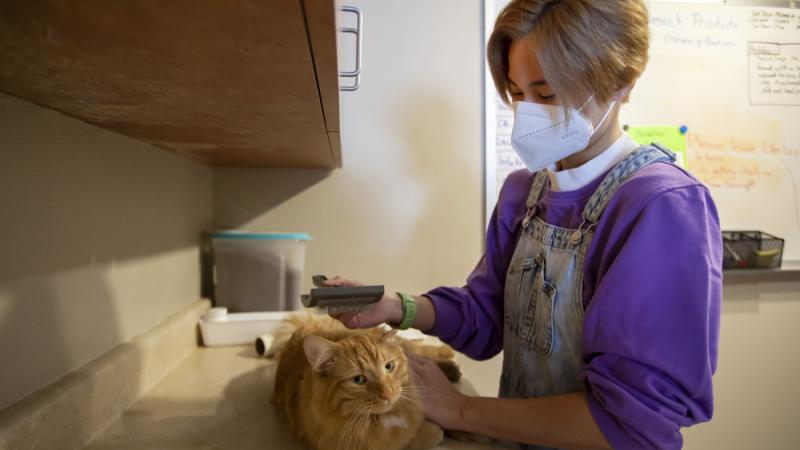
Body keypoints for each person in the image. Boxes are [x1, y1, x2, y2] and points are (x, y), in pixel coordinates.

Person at [326, 1, 722, 448]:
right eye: (517, 92)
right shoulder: (524, 192)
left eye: (547, 94)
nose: (527, 113)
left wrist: (459, 408)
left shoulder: (661, 207)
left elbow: (630, 423)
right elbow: (487, 318)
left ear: (619, 82)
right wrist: (397, 306)